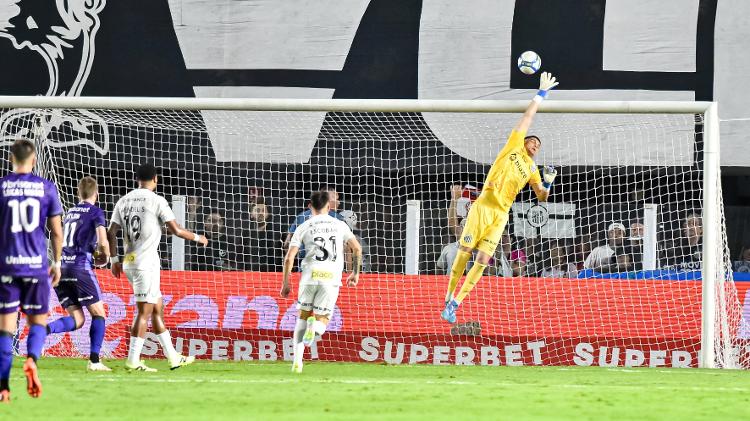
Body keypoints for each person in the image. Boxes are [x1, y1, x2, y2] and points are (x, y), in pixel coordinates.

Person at [440, 72, 559, 324]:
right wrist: (541, 94)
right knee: (464, 251)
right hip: (483, 206)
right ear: (524, 141)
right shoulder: (513, 146)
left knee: (483, 261)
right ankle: (448, 293)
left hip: (500, 215)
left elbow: (542, 197)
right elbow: (527, 118)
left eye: (538, 145)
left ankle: (455, 304)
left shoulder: (532, 169)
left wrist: (547, 182)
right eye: (533, 141)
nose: (536, 144)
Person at [107, 163, 208, 372]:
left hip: (129, 262)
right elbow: (176, 230)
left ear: (137, 179)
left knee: (156, 310)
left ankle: (173, 357)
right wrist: (198, 237)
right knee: (144, 313)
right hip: (145, 265)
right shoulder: (157, 200)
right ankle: (133, 360)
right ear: (156, 179)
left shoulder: (124, 200)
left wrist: (114, 260)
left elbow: (111, 231)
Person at [0, 139, 63, 401]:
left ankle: (3, 387)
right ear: (34, 159)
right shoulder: (46, 188)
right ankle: (32, 359)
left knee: (5, 328)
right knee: (38, 321)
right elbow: (57, 232)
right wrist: (57, 262)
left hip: (6, 266)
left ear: (11, 159)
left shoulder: (2, 187)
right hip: (37, 266)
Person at [280, 191, 362, 373]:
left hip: (309, 276)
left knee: (302, 317)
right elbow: (356, 248)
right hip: (330, 278)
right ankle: (314, 329)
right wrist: (355, 273)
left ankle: (297, 363)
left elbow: (289, 257)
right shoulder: (339, 225)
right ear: (329, 206)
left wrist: (285, 283)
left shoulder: (304, 225)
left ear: (310, 206)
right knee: (322, 320)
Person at [46, 176, 111, 371]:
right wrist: (105, 257)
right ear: (96, 193)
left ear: (78, 193)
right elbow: (102, 242)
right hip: (80, 267)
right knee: (99, 314)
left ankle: (43, 330)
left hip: (62, 268)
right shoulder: (96, 212)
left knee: (78, 320)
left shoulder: (70, 213)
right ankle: (94, 361)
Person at [282, 185, 343, 254]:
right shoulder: (337, 218)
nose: (339, 202)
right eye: (335, 199)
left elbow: (287, 242)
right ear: (327, 200)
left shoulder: (301, 215)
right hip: (328, 261)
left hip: (305, 259)